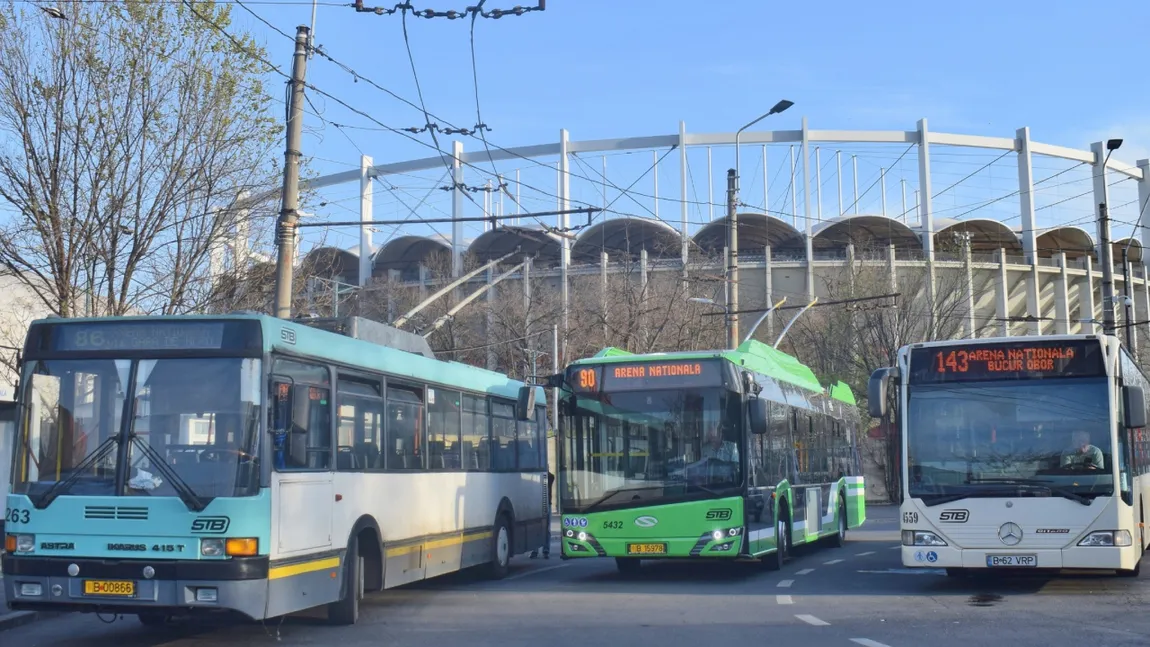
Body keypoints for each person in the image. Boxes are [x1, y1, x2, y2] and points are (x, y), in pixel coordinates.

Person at [529, 470, 555, 559]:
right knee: (537, 528)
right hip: (538, 503)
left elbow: (551, 476)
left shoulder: (549, 477)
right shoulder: (536, 477)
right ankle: (535, 550)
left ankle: (545, 550)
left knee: (546, 528)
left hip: (547, 504)